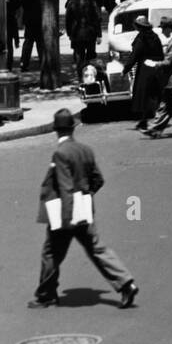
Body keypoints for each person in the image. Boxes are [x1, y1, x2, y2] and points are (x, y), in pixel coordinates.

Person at [30, 108, 138, 309]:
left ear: (56, 130)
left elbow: (65, 187)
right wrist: (86, 196)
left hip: (66, 213)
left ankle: (46, 294)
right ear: (73, 128)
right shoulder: (86, 150)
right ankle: (126, 283)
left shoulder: (60, 153)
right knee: (97, 248)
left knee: (51, 253)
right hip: (84, 208)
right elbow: (98, 179)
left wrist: (68, 216)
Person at [119, 13, 165, 130]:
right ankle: (149, 119)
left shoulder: (141, 39)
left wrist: (125, 70)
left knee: (144, 96)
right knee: (155, 95)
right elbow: (161, 53)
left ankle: (149, 120)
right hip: (157, 68)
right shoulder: (155, 37)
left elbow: (134, 56)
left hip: (145, 70)